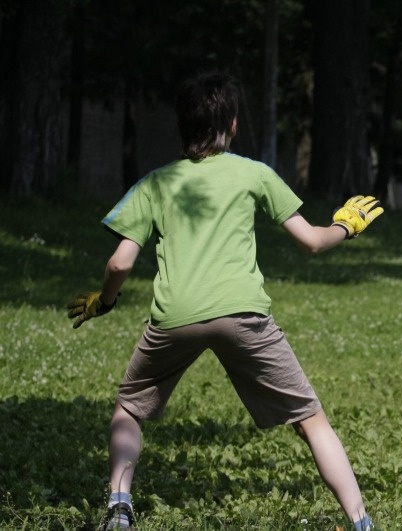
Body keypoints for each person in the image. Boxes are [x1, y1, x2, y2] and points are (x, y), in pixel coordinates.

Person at [67, 72, 380, 531]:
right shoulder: (253, 173)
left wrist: (105, 302)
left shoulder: (155, 183)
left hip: (175, 318)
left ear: (182, 125)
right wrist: (346, 226)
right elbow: (312, 241)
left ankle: (119, 507)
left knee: (129, 409)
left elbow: (119, 264)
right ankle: (359, 522)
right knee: (311, 419)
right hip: (244, 314)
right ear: (232, 125)